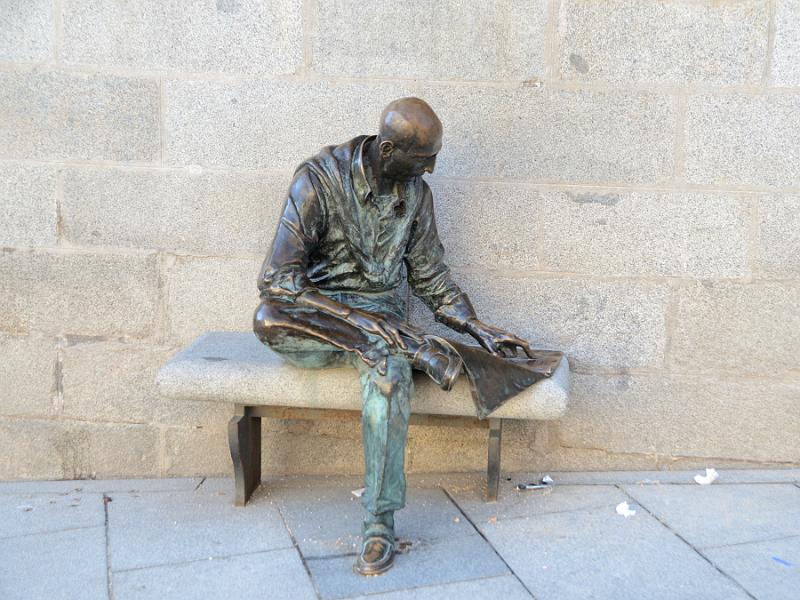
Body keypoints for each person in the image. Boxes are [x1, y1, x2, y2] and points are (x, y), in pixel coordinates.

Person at [254, 97, 533, 575]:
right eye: (425, 159)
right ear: (387, 151)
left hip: (382, 325)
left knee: (386, 372)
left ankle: (379, 522)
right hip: (319, 318)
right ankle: (413, 347)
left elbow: (431, 278)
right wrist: (354, 320)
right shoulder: (317, 181)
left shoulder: (417, 195)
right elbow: (278, 280)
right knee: (266, 317)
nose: (433, 168)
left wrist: (477, 327)